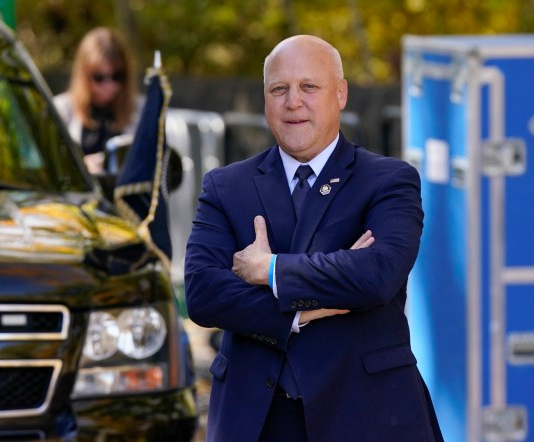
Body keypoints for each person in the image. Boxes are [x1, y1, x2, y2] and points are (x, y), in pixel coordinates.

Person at [184, 35, 443, 441]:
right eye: (279, 89)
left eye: (309, 86)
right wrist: (300, 314)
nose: (293, 102)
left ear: (340, 94)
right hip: (257, 419)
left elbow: (376, 276)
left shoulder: (388, 181)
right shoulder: (225, 187)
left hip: (367, 414)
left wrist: (269, 269)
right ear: (265, 98)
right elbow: (203, 293)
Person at [54, 27, 143, 174]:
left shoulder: (141, 110)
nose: (109, 86)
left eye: (117, 76)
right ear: (84, 75)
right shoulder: (61, 109)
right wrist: (82, 167)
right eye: (99, 77)